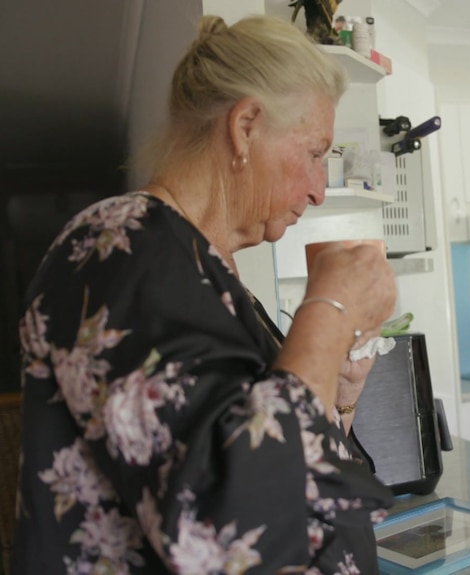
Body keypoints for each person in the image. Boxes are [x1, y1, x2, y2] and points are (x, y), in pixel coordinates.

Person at [13, 14, 396, 574]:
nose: (318, 190)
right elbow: (233, 533)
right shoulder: (120, 248)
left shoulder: (211, 274)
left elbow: (298, 466)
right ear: (245, 127)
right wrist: (328, 311)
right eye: (316, 152)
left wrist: (339, 392)